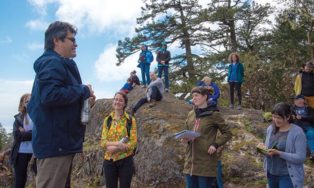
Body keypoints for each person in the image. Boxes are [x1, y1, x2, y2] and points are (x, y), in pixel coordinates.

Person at [27, 21, 96, 188]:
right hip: (55, 145)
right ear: (57, 40)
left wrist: (83, 101)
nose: (76, 44)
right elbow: (50, 96)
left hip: (59, 144)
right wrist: (83, 90)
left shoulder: (57, 63)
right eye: (71, 39)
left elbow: (54, 99)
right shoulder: (52, 62)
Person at [182, 87, 232, 188]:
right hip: (190, 163)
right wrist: (185, 139)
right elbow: (186, 131)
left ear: (205, 97)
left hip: (206, 163)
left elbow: (227, 133)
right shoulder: (191, 114)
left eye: (197, 95)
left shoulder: (214, 114)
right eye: (193, 96)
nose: (194, 98)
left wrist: (215, 144)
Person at [259, 102, 306, 188]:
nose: (275, 120)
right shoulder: (270, 129)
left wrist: (279, 153)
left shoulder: (297, 132)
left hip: (288, 176)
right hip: (271, 174)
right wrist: (262, 149)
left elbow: (301, 158)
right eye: (273, 116)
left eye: (279, 117)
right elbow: (268, 149)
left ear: (288, 117)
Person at [100, 92, 137, 188]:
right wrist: (118, 144)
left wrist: (115, 149)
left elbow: (133, 143)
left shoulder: (130, 120)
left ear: (125, 104)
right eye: (116, 99)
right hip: (109, 161)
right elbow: (103, 142)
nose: (117, 102)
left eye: (121, 100)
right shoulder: (107, 120)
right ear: (113, 102)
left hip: (126, 160)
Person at [10, 93, 34, 188]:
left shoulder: (38, 116)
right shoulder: (18, 118)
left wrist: (25, 133)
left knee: (40, 179)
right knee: (20, 182)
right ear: (22, 103)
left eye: (31, 100)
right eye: (27, 101)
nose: (29, 103)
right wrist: (33, 133)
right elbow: (18, 136)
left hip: (36, 153)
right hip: (20, 153)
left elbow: (40, 133)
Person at [291, 94, 314, 160]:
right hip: (296, 127)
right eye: (295, 100)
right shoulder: (292, 109)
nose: (295, 101)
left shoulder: (309, 109)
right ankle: (296, 153)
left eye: (297, 100)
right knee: (296, 135)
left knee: (311, 134)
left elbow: (312, 118)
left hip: (308, 127)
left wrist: (302, 118)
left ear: (302, 100)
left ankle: (313, 153)